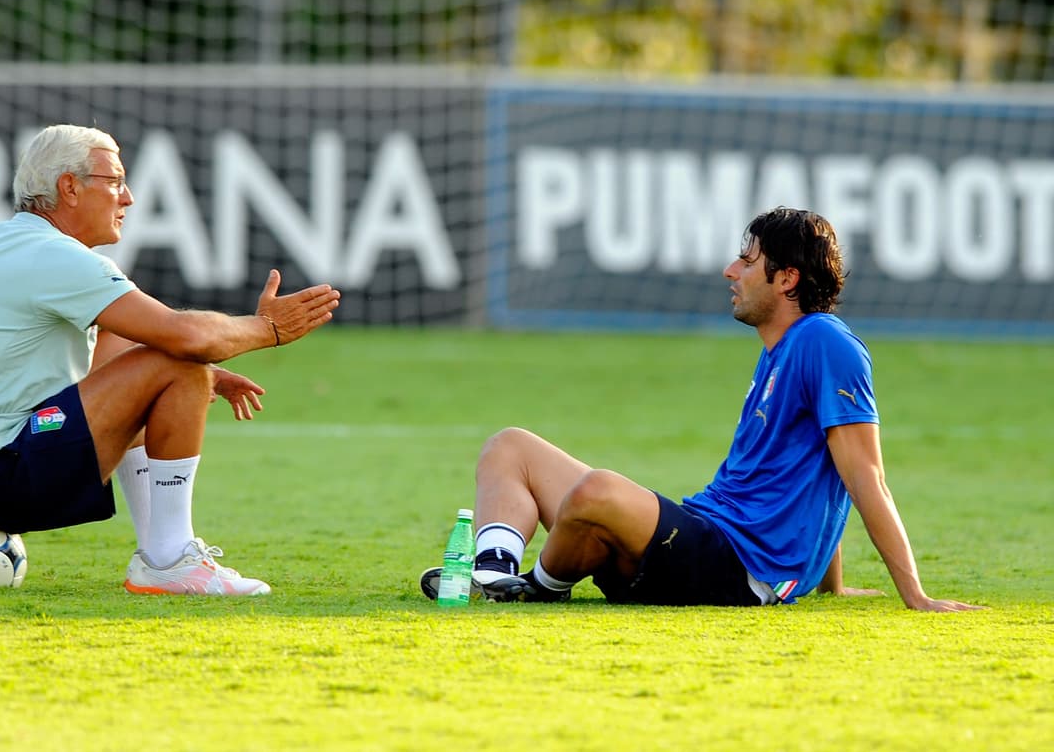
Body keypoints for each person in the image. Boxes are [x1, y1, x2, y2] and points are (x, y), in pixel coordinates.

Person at [420, 207, 982, 612]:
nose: (730, 272)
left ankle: (536, 588)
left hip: (737, 567)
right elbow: (814, 473)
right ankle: (495, 566)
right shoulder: (782, 350)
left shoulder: (826, 343)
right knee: (510, 445)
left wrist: (916, 594)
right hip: (702, 536)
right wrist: (831, 583)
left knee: (598, 492)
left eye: (747, 261)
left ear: (787, 279)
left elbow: (863, 474)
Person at [0, 123, 341, 596]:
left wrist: (201, 378)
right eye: (114, 181)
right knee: (179, 361)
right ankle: (169, 558)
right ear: (68, 187)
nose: (128, 197)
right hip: (0, 472)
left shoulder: (9, 242)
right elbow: (188, 337)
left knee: (168, 362)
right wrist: (268, 329)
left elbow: (114, 355)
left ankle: (161, 554)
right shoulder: (51, 255)